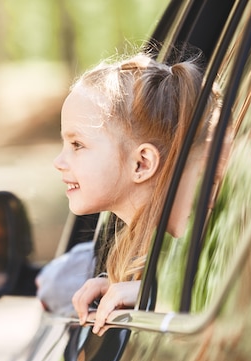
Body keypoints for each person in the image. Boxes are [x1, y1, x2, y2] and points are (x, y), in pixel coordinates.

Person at [51, 52, 222, 334]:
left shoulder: (214, 238)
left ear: (141, 164)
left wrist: (157, 292)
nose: (59, 162)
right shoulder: (152, 250)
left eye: (77, 144)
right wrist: (128, 286)